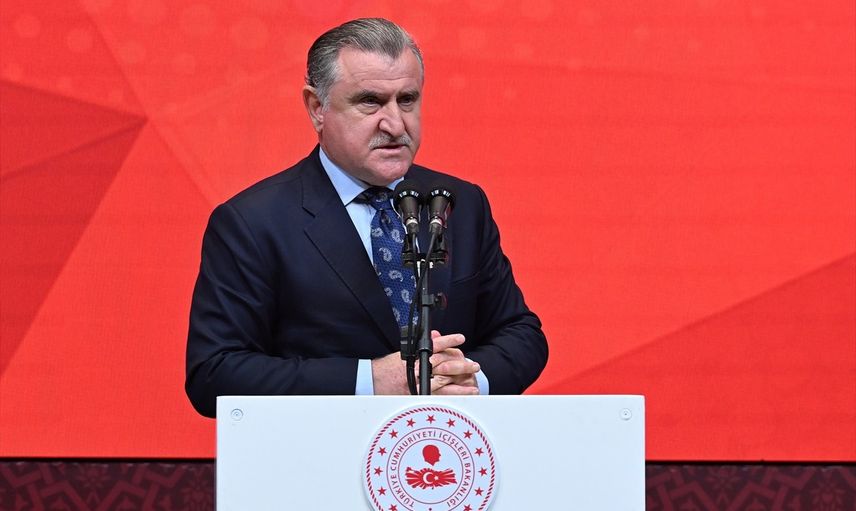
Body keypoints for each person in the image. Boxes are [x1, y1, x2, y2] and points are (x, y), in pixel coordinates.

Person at [185, 18, 547, 418]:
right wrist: (370, 381)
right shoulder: (252, 222)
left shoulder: (460, 203)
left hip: (446, 445)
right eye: (370, 102)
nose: (395, 124)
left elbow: (521, 334)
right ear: (317, 108)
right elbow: (215, 373)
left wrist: (468, 379)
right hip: (319, 452)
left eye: (407, 100)